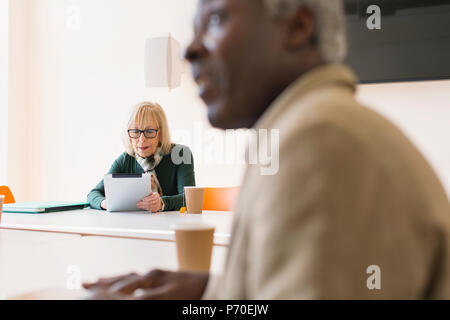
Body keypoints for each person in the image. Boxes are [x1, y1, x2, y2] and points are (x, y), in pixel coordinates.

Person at [84, 0, 450, 299]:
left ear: (298, 26)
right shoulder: (314, 127)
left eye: (215, 19)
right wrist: (213, 292)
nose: (191, 50)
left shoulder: (317, 141)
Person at [87, 102, 195, 212]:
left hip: (173, 225)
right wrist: (107, 203)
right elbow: (93, 194)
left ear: (161, 133)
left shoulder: (181, 153)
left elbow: (191, 198)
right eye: (135, 131)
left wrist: (162, 203)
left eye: (149, 131)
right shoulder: (125, 159)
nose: (142, 139)